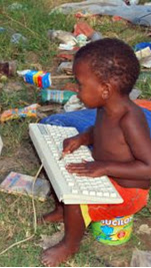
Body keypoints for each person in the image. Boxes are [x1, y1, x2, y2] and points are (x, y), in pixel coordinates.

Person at [41, 38, 151, 266]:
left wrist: (104, 167)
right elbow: (99, 132)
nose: (77, 91)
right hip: (108, 175)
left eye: (80, 85)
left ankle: (70, 244)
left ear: (105, 90)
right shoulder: (104, 107)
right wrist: (82, 138)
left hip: (127, 192)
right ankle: (61, 210)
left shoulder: (130, 118)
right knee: (61, 169)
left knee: (76, 200)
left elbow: (148, 167)